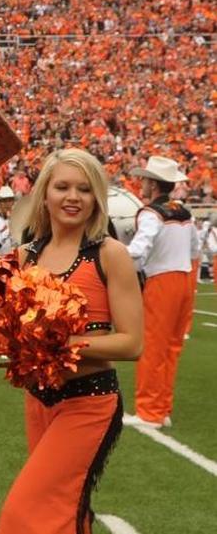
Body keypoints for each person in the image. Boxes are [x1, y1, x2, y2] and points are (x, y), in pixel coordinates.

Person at [0, 148, 143, 534]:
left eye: (84, 188)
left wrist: (63, 345)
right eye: (62, 187)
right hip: (38, 400)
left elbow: (132, 344)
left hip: (89, 402)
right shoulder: (24, 256)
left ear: (97, 197)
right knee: (65, 513)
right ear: (45, 194)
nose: (73, 197)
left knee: (21, 514)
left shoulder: (110, 254)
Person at [125, 156, 199, 429]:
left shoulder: (151, 213)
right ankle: (162, 407)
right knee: (171, 348)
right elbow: (195, 250)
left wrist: (112, 253)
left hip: (161, 281)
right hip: (184, 278)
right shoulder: (185, 212)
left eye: (145, 180)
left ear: (154, 184)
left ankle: (149, 411)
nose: (142, 183)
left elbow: (138, 250)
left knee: (153, 347)